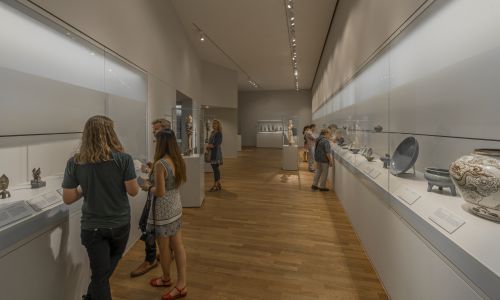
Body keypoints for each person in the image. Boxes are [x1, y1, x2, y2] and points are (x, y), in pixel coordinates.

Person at [62, 115, 139, 300]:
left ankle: (90, 297)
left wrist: (85, 188)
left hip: (92, 226)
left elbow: (68, 197)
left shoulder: (75, 162)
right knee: (102, 275)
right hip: (119, 223)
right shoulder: (124, 159)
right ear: (111, 133)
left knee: (99, 275)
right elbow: (133, 191)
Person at [140, 129, 188, 300]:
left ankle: (167, 278)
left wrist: (147, 187)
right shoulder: (177, 159)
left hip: (163, 213)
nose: (154, 143)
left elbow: (159, 192)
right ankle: (182, 284)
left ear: (161, 143)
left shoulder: (161, 163)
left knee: (164, 248)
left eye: (156, 141)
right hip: (175, 208)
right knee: (178, 246)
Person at [131, 118, 171, 278]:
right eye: (153, 131)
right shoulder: (167, 150)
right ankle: (164, 254)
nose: (154, 134)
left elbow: (163, 179)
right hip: (164, 199)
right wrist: (152, 166)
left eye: (156, 130)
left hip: (158, 198)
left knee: (145, 224)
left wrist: (148, 185)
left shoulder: (165, 153)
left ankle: (151, 259)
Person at [207, 119, 223, 192]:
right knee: (215, 169)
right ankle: (218, 183)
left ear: (218, 125)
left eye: (215, 124)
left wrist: (209, 146)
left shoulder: (219, 133)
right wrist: (209, 145)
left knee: (215, 168)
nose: (214, 125)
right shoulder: (213, 132)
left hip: (216, 152)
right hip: (212, 152)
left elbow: (216, 144)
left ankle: (215, 184)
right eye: (213, 124)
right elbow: (211, 142)